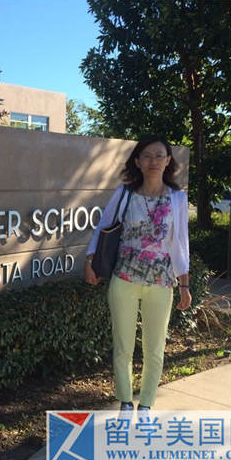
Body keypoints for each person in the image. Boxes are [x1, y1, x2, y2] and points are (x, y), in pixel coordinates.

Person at [83, 135, 191, 414]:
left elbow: (180, 243)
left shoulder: (177, 198)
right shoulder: (125, 193)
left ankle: (146, 405)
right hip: (124, 279)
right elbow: (103, 227)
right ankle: (125, 402)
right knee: (123, 346)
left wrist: (184, 284)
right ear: (138, 161)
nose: (153, 161)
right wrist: (90, 259)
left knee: (155, 348)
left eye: (159, 155)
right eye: (147, 156)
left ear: (168, 161)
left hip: (161, 281)